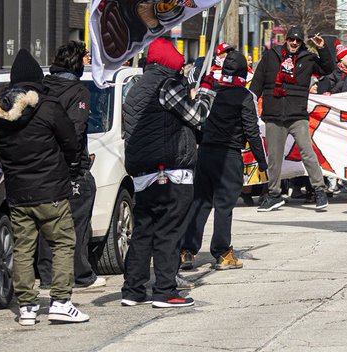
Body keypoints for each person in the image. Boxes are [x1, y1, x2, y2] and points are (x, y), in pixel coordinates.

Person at [0, 50, 88, 326]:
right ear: (39, 80)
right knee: (63, 243)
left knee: (23, 249)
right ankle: (61, 302)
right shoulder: (48, 106)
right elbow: (70, 142)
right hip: (51, 190)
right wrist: (70, 165)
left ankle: (27, 307)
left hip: (17, 192)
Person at [121, 37, 214, 309]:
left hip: (143, 173)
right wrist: (206, 92)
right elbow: (196, 116)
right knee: (169, 232)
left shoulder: (136, 88)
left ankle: (133, 289)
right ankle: (164, 291)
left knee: (143, 232)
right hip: (171, 171)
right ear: (169, 63)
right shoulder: (167, 86)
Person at [179, 51, 268, 271]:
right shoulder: (244, 97)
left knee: (200, 203)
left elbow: (197, 121)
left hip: (206, 153)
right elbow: (251, 130)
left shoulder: (212, 91)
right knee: (224, 206)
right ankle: (222, 253)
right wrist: (262, 160)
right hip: (229, 155)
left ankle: (186, 251)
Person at [36, 41, 103, 292]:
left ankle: (47, 275)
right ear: (76, 61)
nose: (88, 60)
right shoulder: (78, 91)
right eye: (85, 56)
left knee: (47, 221)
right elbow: (76, 129)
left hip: (44, 164)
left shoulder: (44, 87)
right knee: (76, 220)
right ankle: (81, 273)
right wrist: (75, 162)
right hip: (70, 166)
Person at [250, 26, 330, 212]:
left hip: (297, 114)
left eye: (298, 41)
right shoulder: (271, 55)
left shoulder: (308, 58)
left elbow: (327, 68)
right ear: (285, 40)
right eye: (291, 39)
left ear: (302, 43)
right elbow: (257, 81)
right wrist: (250, 103)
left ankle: (319, 190)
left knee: (307, 153)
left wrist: (322, 48)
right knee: (274, 158)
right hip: (274, 114)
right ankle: (274, 195)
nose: (294, 43)